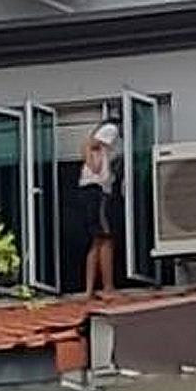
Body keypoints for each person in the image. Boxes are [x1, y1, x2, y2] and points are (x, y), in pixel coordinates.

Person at [79, 122, 119, 299]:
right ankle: (108, 287)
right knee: (105, 238)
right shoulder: (112, 129)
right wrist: (94, 165)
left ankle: (89, 290)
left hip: (92, 190)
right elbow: (90, 143)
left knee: (97, 240)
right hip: (98, 190)